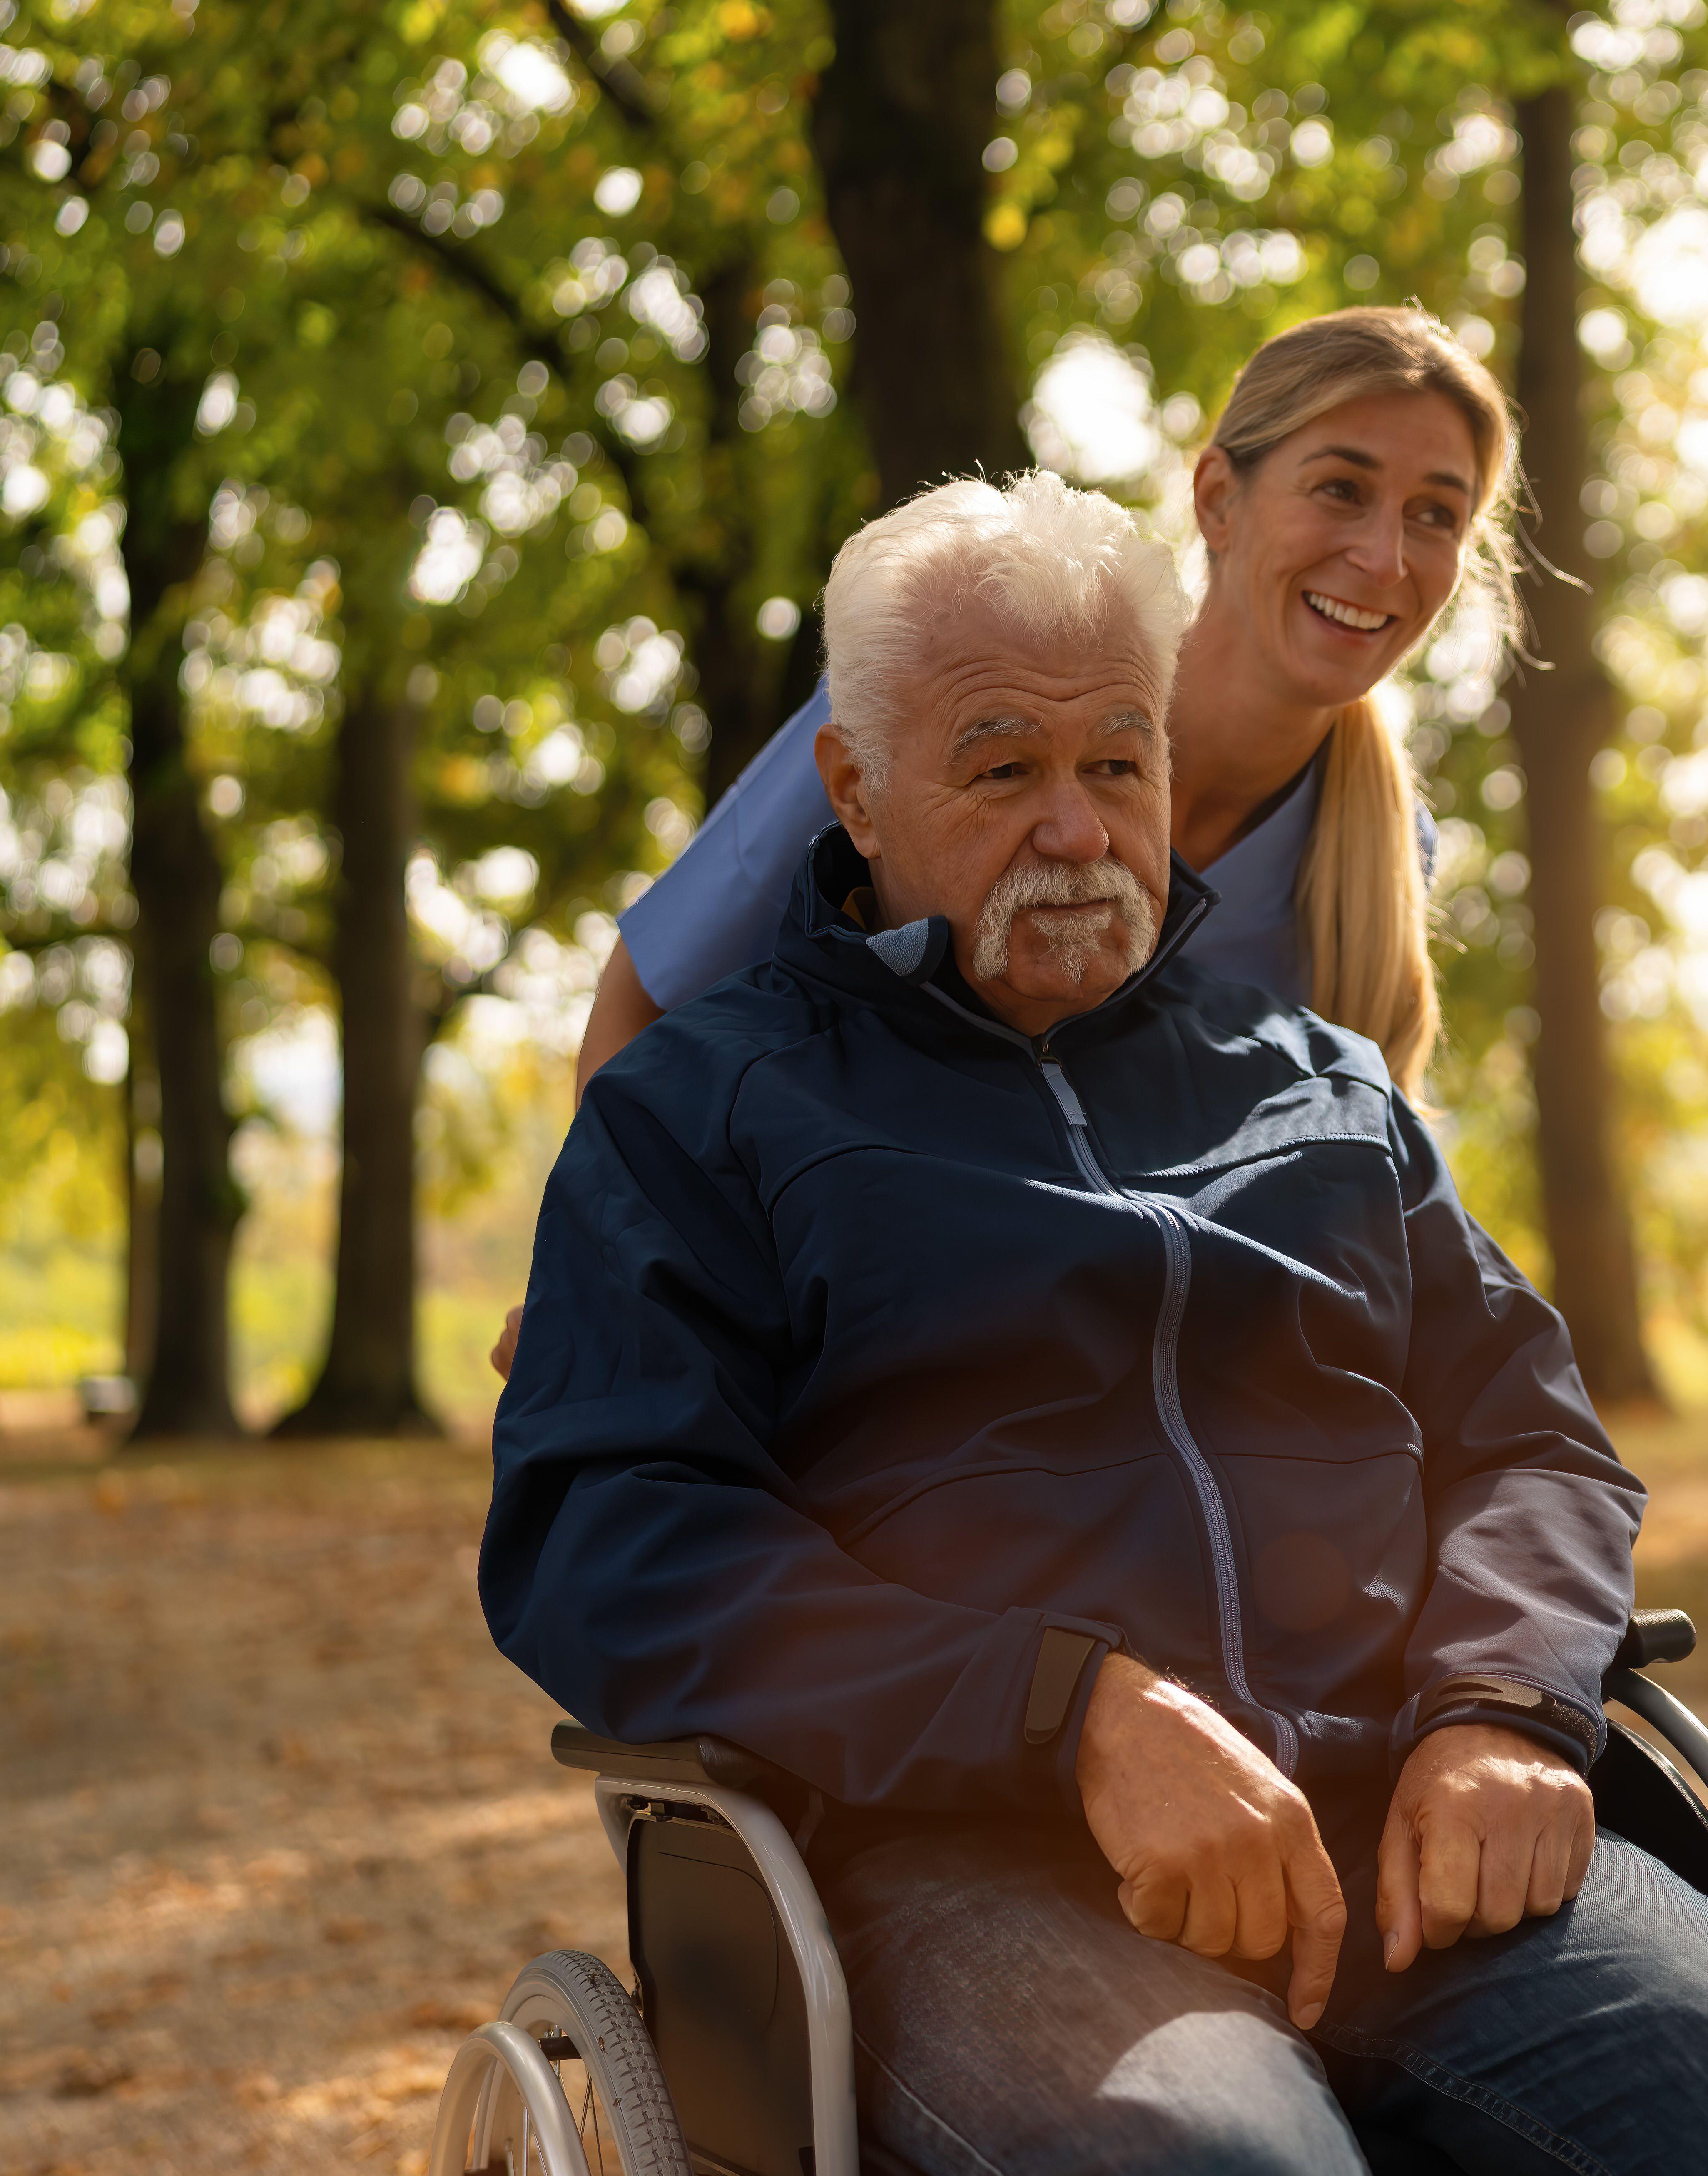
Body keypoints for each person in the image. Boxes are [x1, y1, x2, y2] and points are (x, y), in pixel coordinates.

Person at [481, 471, 1708, 2176]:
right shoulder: (706, 1110)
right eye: (998, 766)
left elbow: (1529, 1436)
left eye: (1118, 762)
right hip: (963, 1874)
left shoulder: (1317, 1090)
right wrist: (1070, 1713)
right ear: (853, 794)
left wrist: (1504, 1710)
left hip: (1405, 1829)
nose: (1076, 826)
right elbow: (614, 1533)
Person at [490, 304, 1499, 1382]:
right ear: (1218, 497)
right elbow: (647, 998)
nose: (1385, 554)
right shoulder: (943, 682)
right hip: (832, 1334)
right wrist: (612, 1272)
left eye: (1438, 514)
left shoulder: (1383, 860)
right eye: (1340, 488)